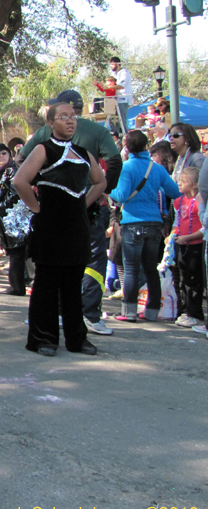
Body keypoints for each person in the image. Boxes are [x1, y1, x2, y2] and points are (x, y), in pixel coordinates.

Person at [19, 89, 121, 338]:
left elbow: (101, 182)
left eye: (73, 115)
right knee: (47, 281)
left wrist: (84, 203)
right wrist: (36, 207)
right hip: (50, 223)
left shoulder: (83, 153)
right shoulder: (44, 148)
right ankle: (44, 336)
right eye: (63, 116)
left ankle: (78, 336)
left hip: (78, 223)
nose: (70, 120)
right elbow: (20, 179)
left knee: (74, 279)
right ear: (51, 123)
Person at [109, 131, 180, 323]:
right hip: (154, 224)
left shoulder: (127, 167)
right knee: (151, 268)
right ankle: (152, 311)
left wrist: (109, 189)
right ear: (147, 146)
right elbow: (175, 191)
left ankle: (129, 312)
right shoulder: (157, 169)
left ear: (128, 147)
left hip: (133, 223)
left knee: (131, 269)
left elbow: (121, 195)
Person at [0, 143, 27, 296]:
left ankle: (18, 286)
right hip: (2, 219)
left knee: (17, 252)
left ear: (9, 154)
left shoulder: (13, 171)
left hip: (16, 218)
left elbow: (15, 194)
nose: (1, 157)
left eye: (4, 153)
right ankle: (16, 284)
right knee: (12, 251)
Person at [170, 167, 205, 328]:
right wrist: (173, 234)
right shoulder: (179, 201)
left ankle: (195, 313)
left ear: (193, 185)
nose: (179, 184)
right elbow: (177, 221)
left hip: (195, 244)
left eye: (183, 182)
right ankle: (184, 310)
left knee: (194, 281)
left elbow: (204, 227)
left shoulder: (199, 201)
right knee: (183, 280)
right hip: (182, 244)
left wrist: (188, 238)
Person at [110, 56, 133, 131]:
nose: (111, 66)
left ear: (118, 64)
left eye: (113, 64)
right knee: (112, 120)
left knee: (122, 120)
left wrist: (108, 87)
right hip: (114, 100)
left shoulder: (124, 73)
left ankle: (125, 136)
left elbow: (121, 86)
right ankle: (116, 135)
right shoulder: (113, 74)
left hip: (123, 99)